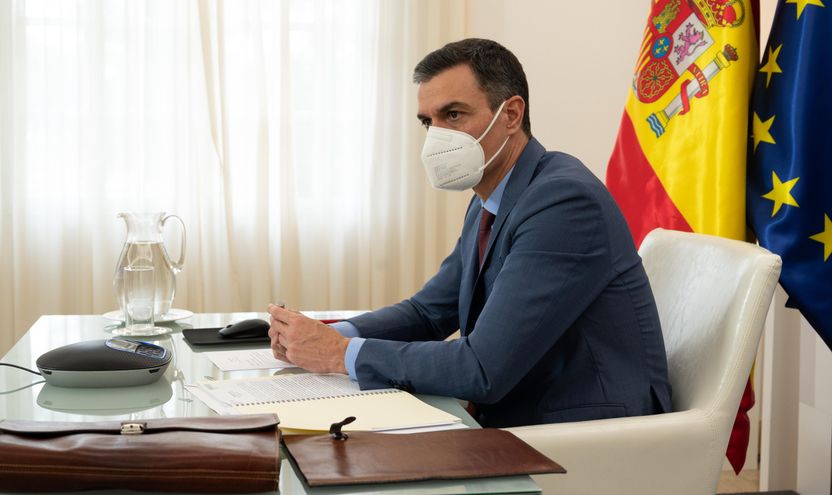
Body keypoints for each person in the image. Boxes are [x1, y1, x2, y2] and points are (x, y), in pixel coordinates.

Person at [268, 38, 672, 428]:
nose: (437, 136)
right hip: (520, 410)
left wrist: (341, 354)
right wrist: (330, 335)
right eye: (429, 122)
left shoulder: (563, 202)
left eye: (454, 115)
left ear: (511, 115)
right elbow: (429, 312)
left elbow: (482, 368)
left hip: (585, 430)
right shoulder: (490, 197)